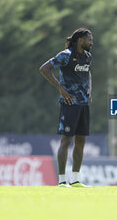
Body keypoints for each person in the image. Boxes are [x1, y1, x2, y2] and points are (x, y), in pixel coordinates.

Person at [39, 28, 94, 187]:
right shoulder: (65, 55)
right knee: (66, 141)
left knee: (81, 142)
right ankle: (62, 181)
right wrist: (60, 89)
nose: (92, 42)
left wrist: (89, 88)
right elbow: (44, 68)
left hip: (83, 104)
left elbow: (88, 73)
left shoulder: (87, 56)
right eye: (89, 39)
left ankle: (75, 179)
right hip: (69, 104)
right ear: (80, 40)